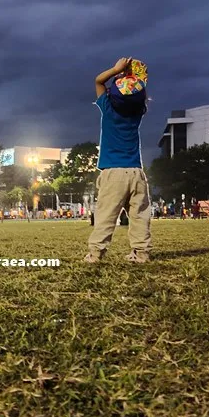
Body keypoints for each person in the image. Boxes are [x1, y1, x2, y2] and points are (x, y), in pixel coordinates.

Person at [86, 57, 152, 264]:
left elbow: (98, 81)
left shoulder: (107, 108)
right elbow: (138, 95)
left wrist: (116, 70)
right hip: (136, 173)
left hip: (113, 173)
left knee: (106, 215)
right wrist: (134, 78)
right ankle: (141, 253)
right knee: (140, 216)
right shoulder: (137, 113)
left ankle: (96, 254)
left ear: (111, 95)